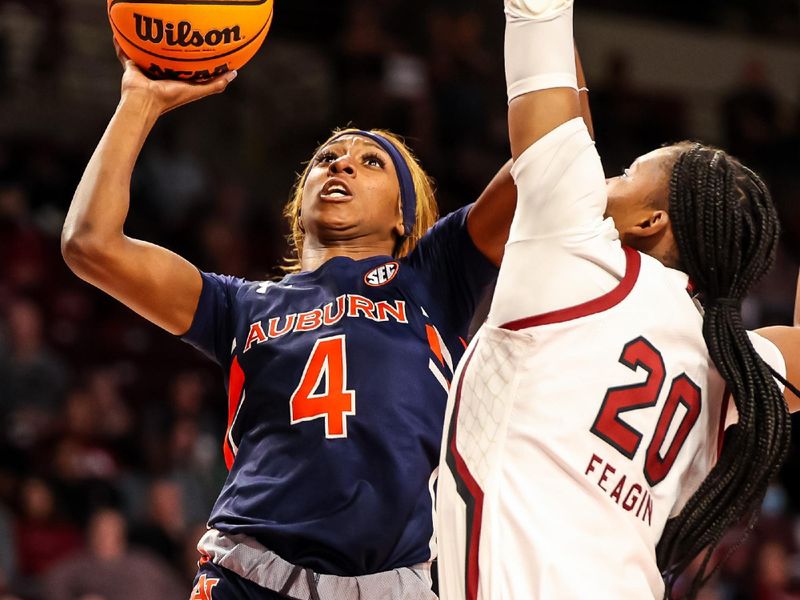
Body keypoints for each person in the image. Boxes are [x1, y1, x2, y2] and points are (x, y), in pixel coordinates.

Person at [60, 40, 519, 598]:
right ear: (298, 203)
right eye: (326, 158)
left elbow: (553, 157)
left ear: (403, 215)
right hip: (247, 576)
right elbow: (91, 243)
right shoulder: (239, 304)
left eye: (370, 162)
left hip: (388, 584)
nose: (341, 163)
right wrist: (140, 101)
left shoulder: (433, 277)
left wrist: (545, 20)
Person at [435, 1, 799, 599]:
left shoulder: (574, 253)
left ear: (653, 220)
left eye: (627, 171)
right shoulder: (734, 362)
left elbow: (537, 20)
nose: (607, 175)